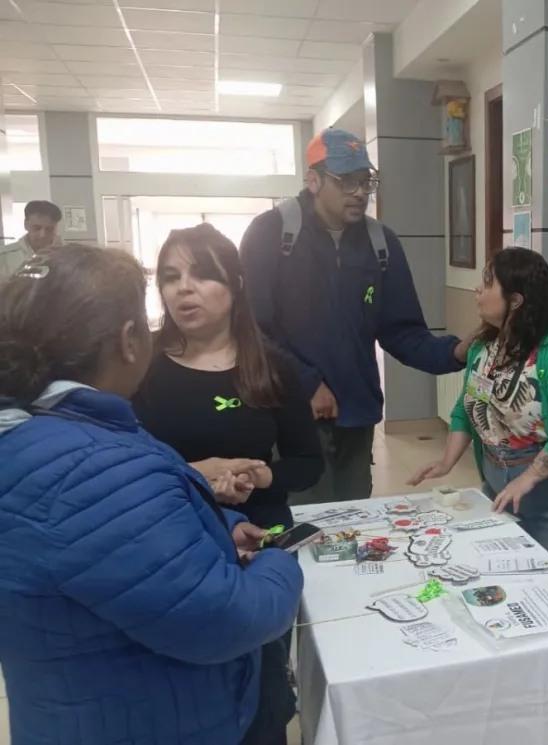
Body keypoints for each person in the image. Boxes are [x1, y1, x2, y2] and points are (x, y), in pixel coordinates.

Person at [0, 246, 303, 745]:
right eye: (167, 281)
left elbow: (140, 529)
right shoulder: (90, 469)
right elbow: (225, 617)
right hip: (152, 719)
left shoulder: (53, 424)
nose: (185, 289)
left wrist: (222, 527)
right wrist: (278, 560)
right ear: (128, 339)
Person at [133, 224, 323, 745]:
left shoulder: (272, 365)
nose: (182, 289)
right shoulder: (141, 367)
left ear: (235, 285)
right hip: (175, 544)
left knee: (261, 692)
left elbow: (308, 463)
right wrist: (194, 475)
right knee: (191, 691)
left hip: (259, 544)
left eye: (201, 275)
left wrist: (265, 475)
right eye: (170, 278)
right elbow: (121, 469)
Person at [240, 127, 472, 504]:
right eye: (347, 181)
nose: (361, 192)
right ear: (313, 180)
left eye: (366, 181)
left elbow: (401, 331)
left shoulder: (381, 243)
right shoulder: (272, 233)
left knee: (353, 523)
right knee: (304, 523)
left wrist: (455, 353)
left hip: (356, 414)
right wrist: (306, 383)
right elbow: (251, 329)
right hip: (291, 415)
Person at [408, 248, 548, 590]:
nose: (477, 290)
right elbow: (466, 406)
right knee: (509, 586)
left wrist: (528, 478)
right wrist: (446, 461)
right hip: (499, 485)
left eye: (487, 283)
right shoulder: (484, 346)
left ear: (514, 300)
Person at [0, 200, 63, 279]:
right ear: (26, 224)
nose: (42, 235)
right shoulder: (3, 257)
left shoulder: (68, 257)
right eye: (36, 228)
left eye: (49, 229)